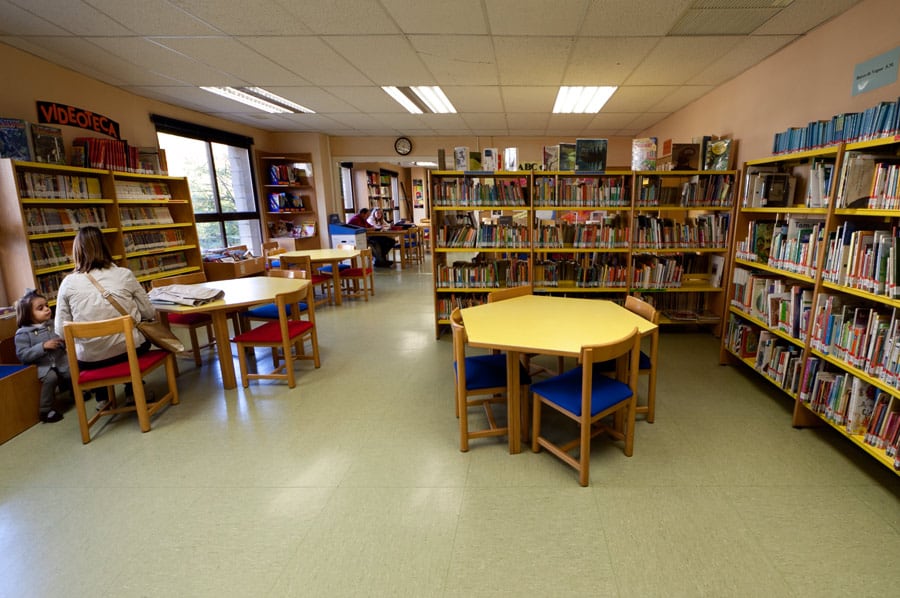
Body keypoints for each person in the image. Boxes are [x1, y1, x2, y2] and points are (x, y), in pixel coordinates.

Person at [54, 226, 157, 402]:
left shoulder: (68, 283)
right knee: (136, 338)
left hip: (90, 359)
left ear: (77, 251)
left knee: (93, 347)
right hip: (129, 350)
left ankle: (103, 397)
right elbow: (149, 311)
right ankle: (134, 390)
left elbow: (61, 331)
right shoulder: (124, 274)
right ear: (105, 247)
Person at [15, 290, 71, 423]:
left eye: (46, 305)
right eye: (40, 308)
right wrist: (43, 347)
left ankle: (77, 393)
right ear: (28, 314)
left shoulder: (52, 324)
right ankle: (45, 409)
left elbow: (61, 339)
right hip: (42, 365)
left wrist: (63, 344)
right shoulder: (22, 333)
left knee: (71, 370)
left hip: (59, 359)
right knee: (51, 378)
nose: (47, 309)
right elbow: (23, 355)